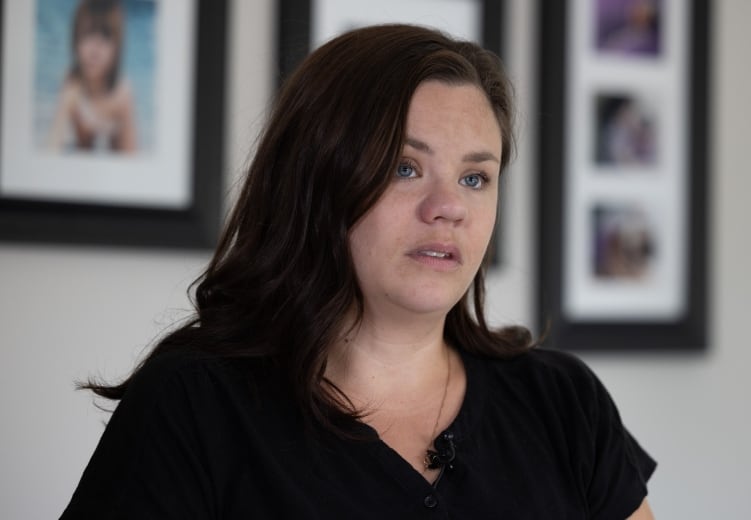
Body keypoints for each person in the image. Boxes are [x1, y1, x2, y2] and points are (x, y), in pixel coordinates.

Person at [60, 24, 655, 518]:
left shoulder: (564, 403)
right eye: (403, 167)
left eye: (475, 178)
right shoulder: (194, 405)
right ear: (316, 181)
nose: (448, 205)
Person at [47, 0, 136, 153]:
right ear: (75, 41)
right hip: (84, 152)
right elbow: (53, 140)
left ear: (117, 48)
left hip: (116, 158)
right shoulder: (72, 84)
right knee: (83, 147)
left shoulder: (121, 91)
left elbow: (133, 154)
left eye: (105, 37)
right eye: (87, 35)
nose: (95, 49)